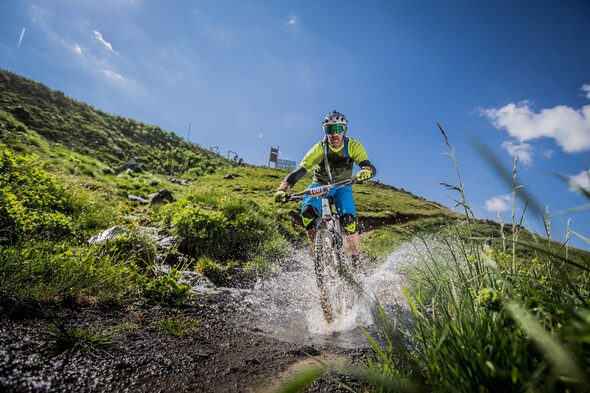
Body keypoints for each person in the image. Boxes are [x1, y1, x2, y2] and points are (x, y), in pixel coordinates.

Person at [273, 110, 377, 267]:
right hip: (320, 185)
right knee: (307, 212)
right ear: (325, 131)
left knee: (349, 220)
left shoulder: (353, 146)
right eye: (330, 130)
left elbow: (367, 165)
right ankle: (318, 256)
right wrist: (282, 190)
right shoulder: (319, 148)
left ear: (345, 131)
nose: (334, 134)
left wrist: (366, 172)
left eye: (338, 129)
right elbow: (298, 172)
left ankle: (356, 260)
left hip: (342, 186)